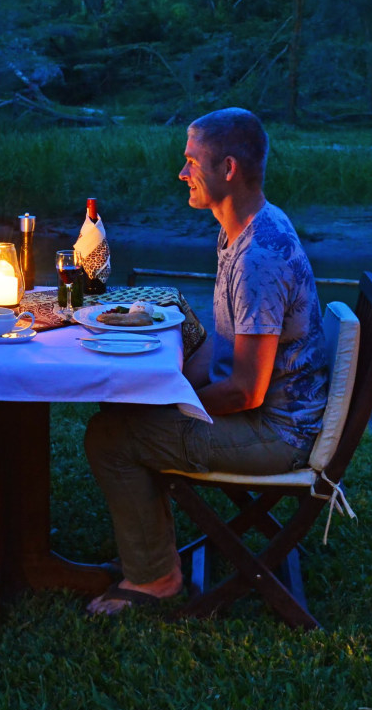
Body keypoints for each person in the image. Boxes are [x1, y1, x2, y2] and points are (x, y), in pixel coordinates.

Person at [81, 107, 328, 616]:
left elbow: (246, 392)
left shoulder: (259, 254)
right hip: (275, 418)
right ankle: (152, 553)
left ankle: (155, 578)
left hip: (277, 433)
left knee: (110, 436)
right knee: (125, 413)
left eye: (191, 161)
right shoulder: (242, 230)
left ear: (228, 169)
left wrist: (169, 401)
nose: (182, 172)